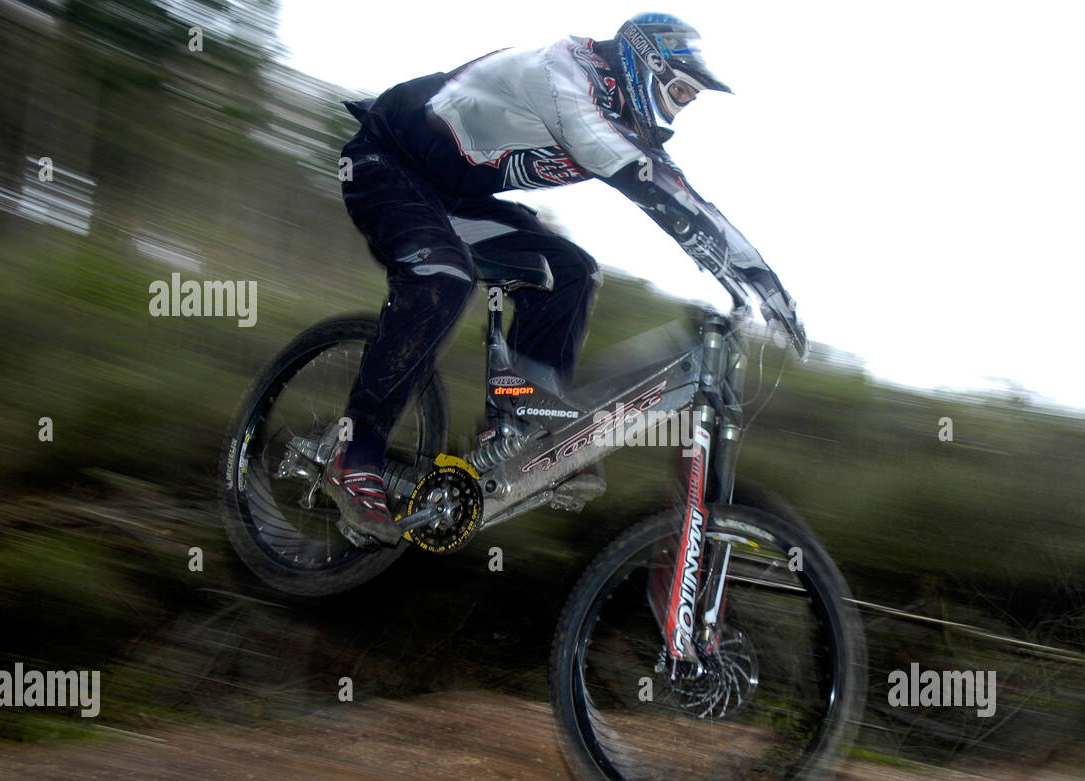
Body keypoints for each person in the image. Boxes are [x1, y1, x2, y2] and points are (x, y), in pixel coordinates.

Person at [327, 12, 799, 544]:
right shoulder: (566, 74)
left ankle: (523, 425)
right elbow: (655, 188)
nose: (680, 109)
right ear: (645, 64)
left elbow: (679, 191)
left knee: (571, 272)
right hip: (386, 162)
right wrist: (755, 274)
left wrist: (738, 277)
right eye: (680, 93)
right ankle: (356, 452)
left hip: (455, 200)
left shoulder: (613, 112)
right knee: (444, 275)